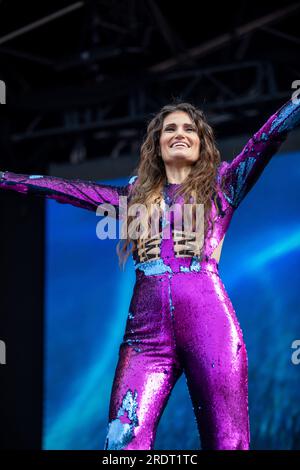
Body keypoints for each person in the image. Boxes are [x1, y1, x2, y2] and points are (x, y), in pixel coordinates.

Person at [0, 95, 299, 450]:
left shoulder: (224, 185)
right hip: (145, 335)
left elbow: (264, 140)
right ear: (156, 144)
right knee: (123, 442)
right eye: (169, 128)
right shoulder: (132, 198)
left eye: (189, 128)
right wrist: (5, 179)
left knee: (228, 442)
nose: (179, 133)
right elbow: (68, 190)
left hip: (210, 323)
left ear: (202, 142)